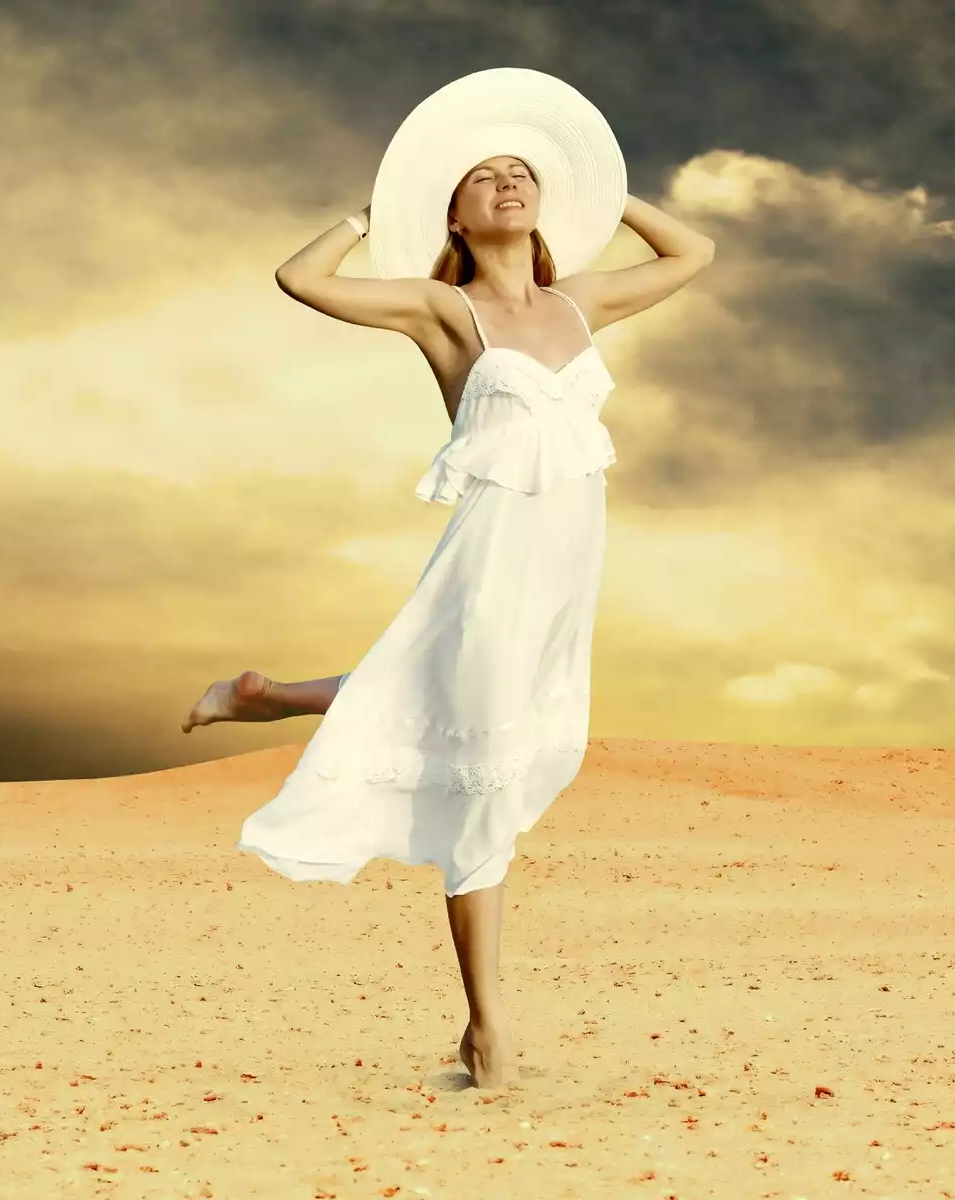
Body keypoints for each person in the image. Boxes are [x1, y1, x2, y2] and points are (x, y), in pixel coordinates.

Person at [181, 69, 714, 1089]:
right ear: (455, 213)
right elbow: (304, 279)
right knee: (482, 766)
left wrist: (600, 189)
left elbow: (696, 251)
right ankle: (489, 1025)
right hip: (493, 547)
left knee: (468, 722)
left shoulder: (583, 301)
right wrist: (370, 211)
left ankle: (267, 696)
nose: (508, 182)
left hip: (568, 560)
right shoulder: (441, 307)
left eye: (523, 173)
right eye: (484, 176)